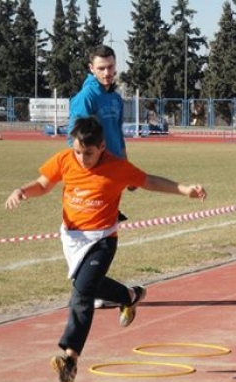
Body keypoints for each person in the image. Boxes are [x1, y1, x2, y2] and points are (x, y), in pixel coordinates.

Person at [4, 117, 207, 382]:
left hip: (102, 240)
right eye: (78, 151)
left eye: (88, 153)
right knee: (85, 284)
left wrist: (184, 190)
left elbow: (149, 181)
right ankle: (130, 295)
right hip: (73, 239)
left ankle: (70, 358)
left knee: (82, 293)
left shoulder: (117, 167)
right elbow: (43, 185)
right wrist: (21, 191)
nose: (82, 158)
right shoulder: (65, 160)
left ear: (101, 147)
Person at [69, 44, 130, 310]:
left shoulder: (115, 98)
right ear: (91, 69)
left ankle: (94, 286)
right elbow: (77, 140)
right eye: (101, 68)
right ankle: (94, 288)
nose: (107, 73)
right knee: (96, 233)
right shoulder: (86, 98)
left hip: (114, 175)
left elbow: (118, 134)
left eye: (111, 67)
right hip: (95, 176)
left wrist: (126, 168)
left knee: (105, 233)